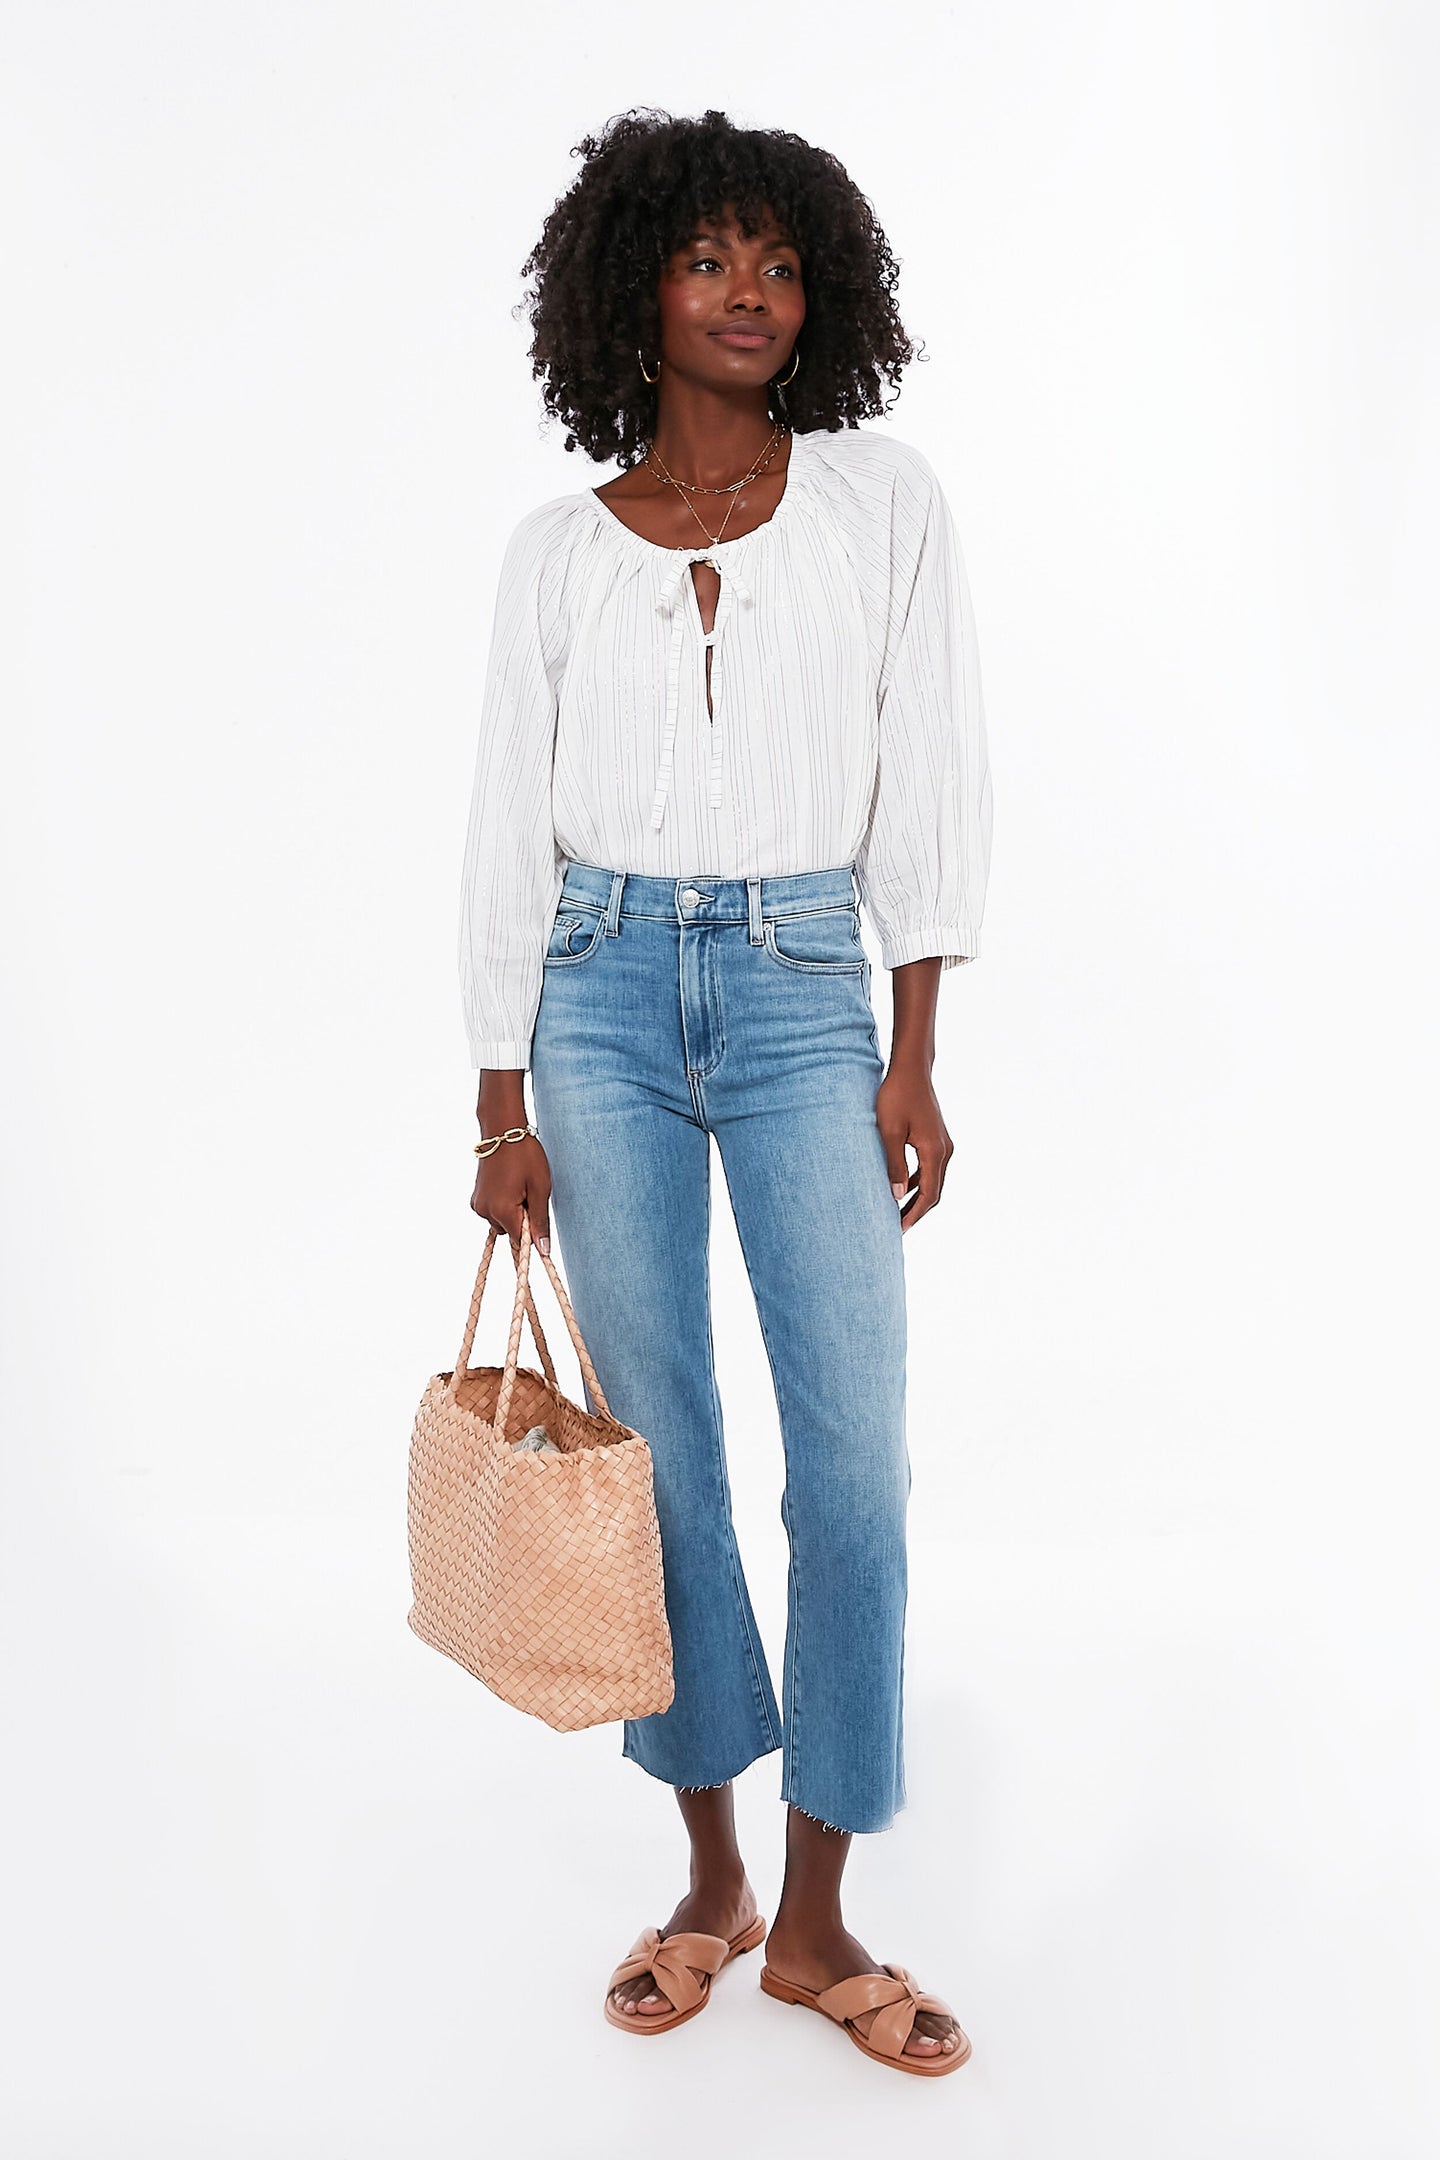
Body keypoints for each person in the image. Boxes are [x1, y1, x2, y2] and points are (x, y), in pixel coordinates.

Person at [459, 107, 992, 2075]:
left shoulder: (880, 506)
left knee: (853, 1468)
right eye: (708, 260)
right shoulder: (553, 555)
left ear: (820, 290)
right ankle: (712, 1880)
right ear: (638, 293)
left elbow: (930, 769)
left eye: (778, 261)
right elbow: (506, 827)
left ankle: (822, 1916)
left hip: (799, 990)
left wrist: (915, 1047)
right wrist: (499, 1104)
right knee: (655, 1462)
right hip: (595, 1000)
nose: (749, 290)